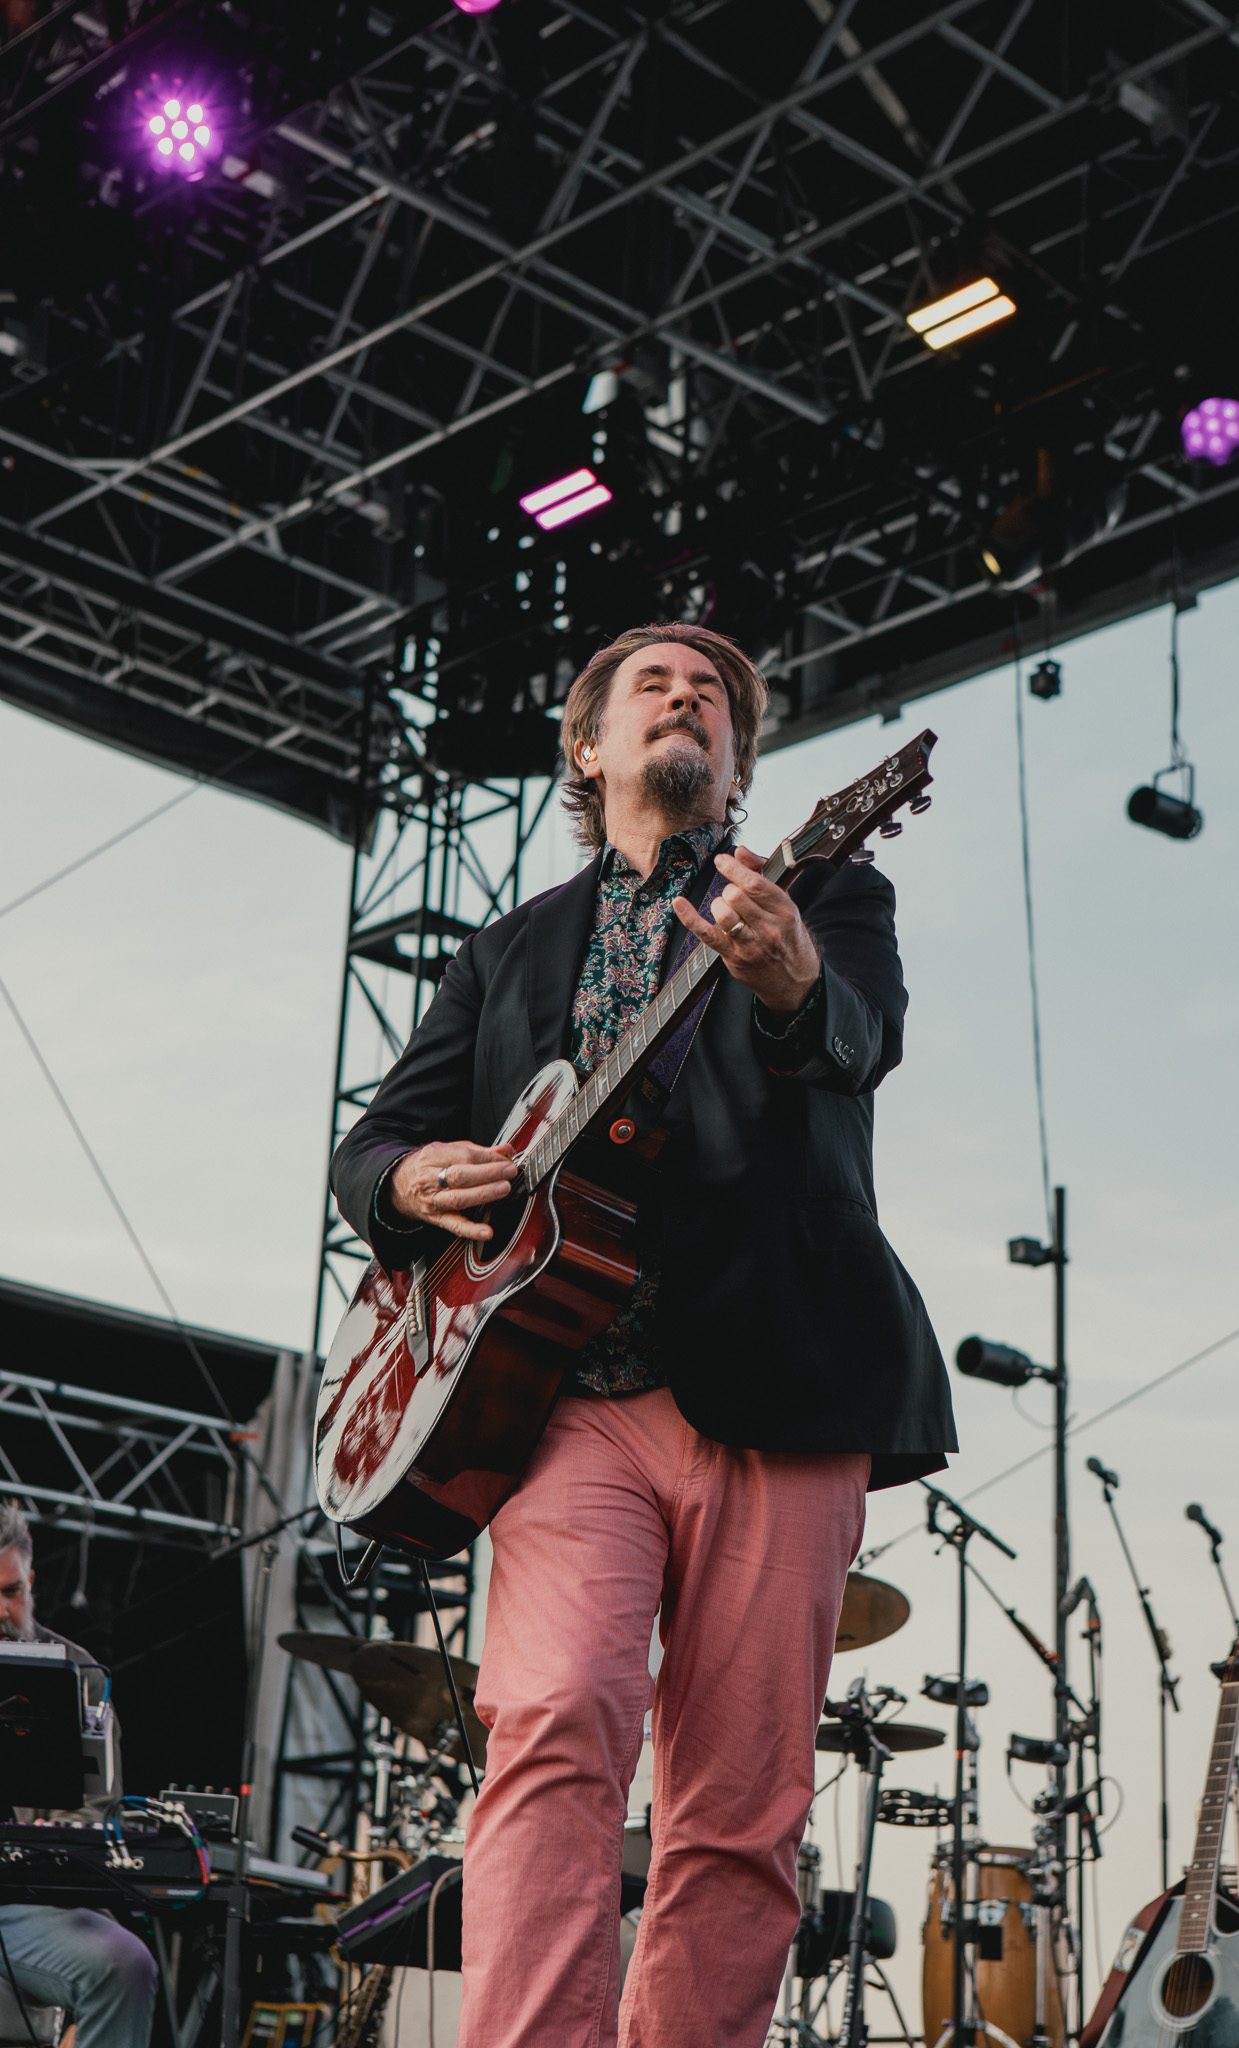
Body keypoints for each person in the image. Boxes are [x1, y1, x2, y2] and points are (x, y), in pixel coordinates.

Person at [331, 621, 956, 2046]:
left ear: (738, 763)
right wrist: (405, 1183)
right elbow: (377, 1139)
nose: (690, 701)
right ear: (590, 746)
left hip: (784, 1384)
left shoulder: (824, 884)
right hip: (563, 1398)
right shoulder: (507, 950)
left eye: (717, 703)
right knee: (549, 1731)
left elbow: (859, 1039)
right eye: (655, 688)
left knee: (736, 1805)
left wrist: (790, 976)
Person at [0, 1501, 158, 2048]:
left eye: (11, 1591)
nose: (1, 1609)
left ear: (32, 1581)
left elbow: (94, 1813)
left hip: (28, 1906)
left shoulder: (79, 1673)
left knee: (125, 1964)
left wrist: (44, 1840)